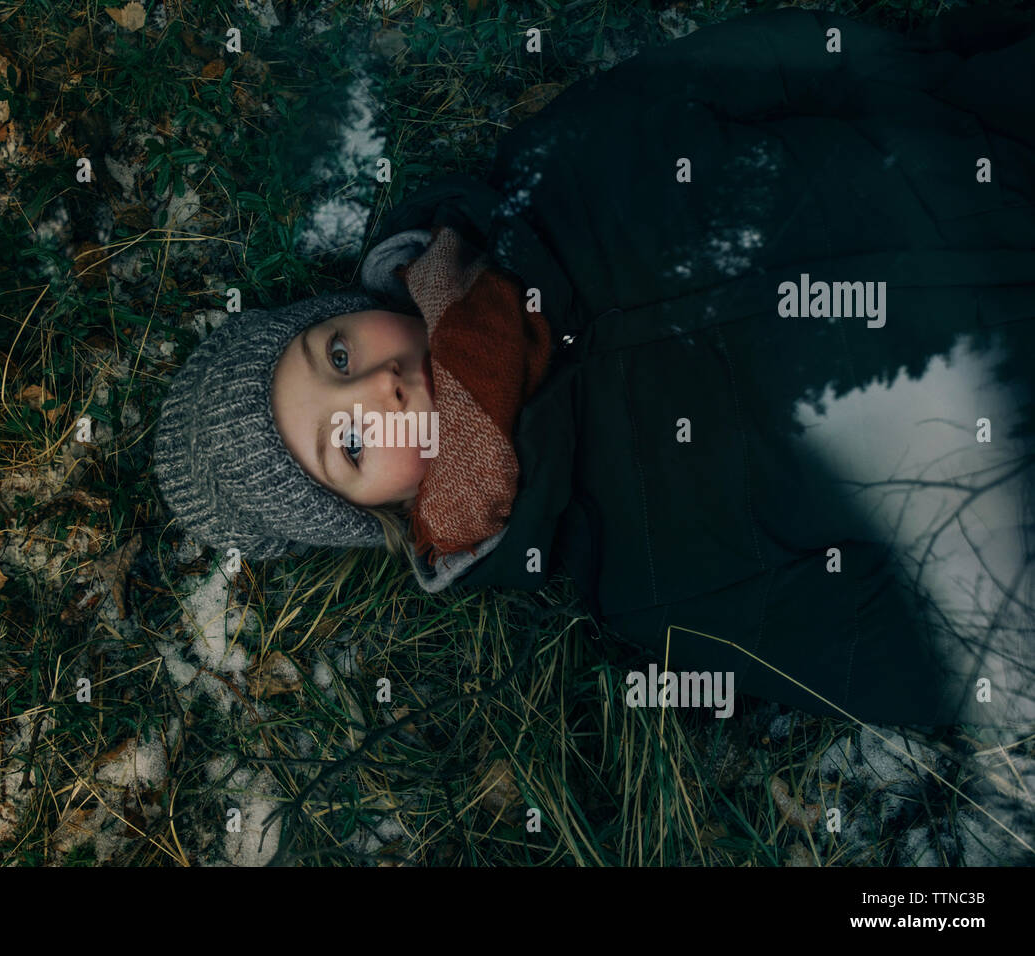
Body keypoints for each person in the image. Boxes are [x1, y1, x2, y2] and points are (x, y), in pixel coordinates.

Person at [154, 6, 1035, 732]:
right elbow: (925, 645)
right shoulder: (648, 582)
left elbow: (761, 66)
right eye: (345, 443)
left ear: (349, 306)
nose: (376, 390)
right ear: (377, 512)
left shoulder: (551, 179)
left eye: (337, 354)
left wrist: (940, 83)